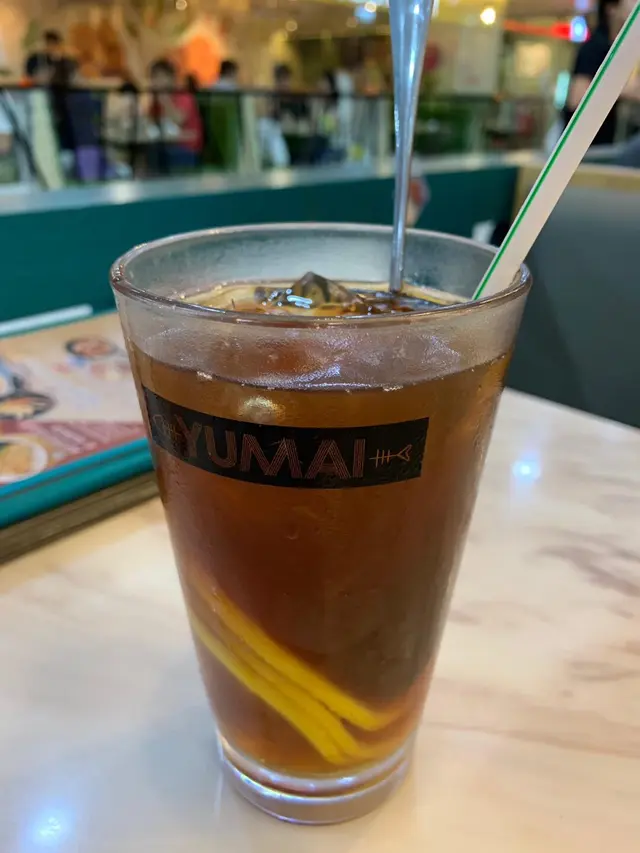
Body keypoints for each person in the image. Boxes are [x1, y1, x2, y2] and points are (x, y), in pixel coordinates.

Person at [564, 0, 640, 146]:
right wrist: (625, 90)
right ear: (611, 9)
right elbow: (577, 98)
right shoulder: (594, 48)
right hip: (590, 145)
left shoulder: (629, 51)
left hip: (618, 143)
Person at [148, 59, 203, 172]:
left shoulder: (184, 96)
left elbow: (178, 120)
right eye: (155, 77)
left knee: (154, 156)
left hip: (186, 149)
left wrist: (165, 101)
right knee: (146, 154)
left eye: (162, 77)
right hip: (166, 146)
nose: (157, 81)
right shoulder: (156, 100)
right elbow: (150, 122)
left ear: (172, 79)